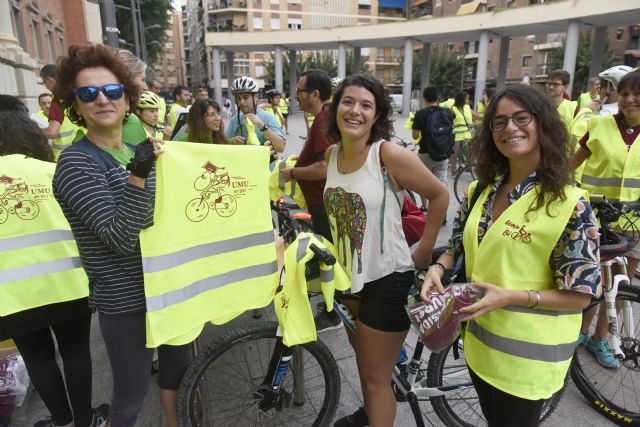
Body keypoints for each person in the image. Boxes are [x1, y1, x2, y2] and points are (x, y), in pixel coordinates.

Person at [423, 84, 600, 426]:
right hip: (479, 350)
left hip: (527, 363)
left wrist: (512, 297)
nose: (510, 128)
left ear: (543, 124)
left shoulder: (569, 204)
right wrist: (439, 267)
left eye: (522, 118)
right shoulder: (480, 191)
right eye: (499, 122)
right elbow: (460, 243)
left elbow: (581, 296)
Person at [52, 44, 191, 427]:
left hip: (166, 287)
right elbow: (119, 236)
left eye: (112, 91)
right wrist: (140, 174)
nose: (101, 100)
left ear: (127, 99)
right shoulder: (76, 163)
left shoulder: (134, 149)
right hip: (124, 299)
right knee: (130, 397)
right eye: (87, 93)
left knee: (179, 376)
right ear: (74, 105)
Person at [324, 74, 449, 427]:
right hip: (351, 279)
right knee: (368, 369)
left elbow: (440, 194)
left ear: (376, 115)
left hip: (388, 279)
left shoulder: (386, 154)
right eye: (348, 102)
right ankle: (369, 415)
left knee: (377, 380)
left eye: (366, 105)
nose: (355, 111)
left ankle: (376, 412)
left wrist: (424, 250)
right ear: (336, 109)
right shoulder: (332, 156)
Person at [0, 108, 109, 427]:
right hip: (68, 283)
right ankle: (86, 419)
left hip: (11, 293)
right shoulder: (54, 172)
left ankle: (61, 422)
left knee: (38, 358)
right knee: (76, 353)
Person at [572, 67, 639, 369]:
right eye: (625, 93)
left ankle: (602, 338)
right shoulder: (599, 125)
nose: (630, 99)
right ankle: (580, 333)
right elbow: (569, 166)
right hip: (597, 221)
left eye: (637, 94)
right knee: (595, 282)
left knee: (621, 286)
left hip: (635, 225)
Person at [280, 69, 341, 332]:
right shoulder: (321, 118)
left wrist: (293, 172)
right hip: (321, 201)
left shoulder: (324, 118)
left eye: (300, 91)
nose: (296, 96)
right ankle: (333, 306)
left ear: (315, 95)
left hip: (324, 203)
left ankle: (333, 313)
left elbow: (324, 168)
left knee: (329, 257)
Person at [412, 86, 454, 209]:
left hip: (426, 153)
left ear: (424, 98)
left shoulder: (421, 114)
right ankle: (440, 210)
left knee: (423, 182)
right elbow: (452, 128)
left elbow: (415, 136)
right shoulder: (447, 112)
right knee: (442, 183)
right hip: (443, 153)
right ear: (438, 98)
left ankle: (425, 207)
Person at [224, 76, 285, 154]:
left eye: (245, 97)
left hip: (263, 166)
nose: (241, 102)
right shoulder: (234, 120)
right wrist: (231, 141)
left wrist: (263, 127)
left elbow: (281, 148)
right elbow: (222, 142)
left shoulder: (267, 118)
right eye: (238, 98)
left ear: (256, 96)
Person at [40, 64, 85, 158]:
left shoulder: (58, 101)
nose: (46, 86)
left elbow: (52, 132)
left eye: (44, 82)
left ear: (50, 79)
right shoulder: (76, 94)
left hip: (67, 158)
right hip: (87, 150)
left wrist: (30, 130)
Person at [449, 91, 473, 174]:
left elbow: (474, 115)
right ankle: (453, 170)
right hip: (457, 134)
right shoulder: (453, 108)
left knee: (469, 152)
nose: (468, 100)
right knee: (454, 153)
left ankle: (468, 166)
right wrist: (452, 124)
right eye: (467, 98)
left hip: (467, 133)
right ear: (462, 99)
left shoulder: (467, 107)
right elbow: (449, 120)